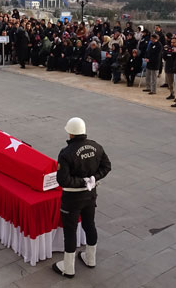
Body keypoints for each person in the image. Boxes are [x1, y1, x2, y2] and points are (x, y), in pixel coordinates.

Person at [53, 117, 111, 278]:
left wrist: (82, 182)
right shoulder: (96, 147)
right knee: (89, 225)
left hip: (72, 199)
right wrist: (93, 179)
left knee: (70, 232)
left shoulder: (66, 153)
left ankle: (68, 267)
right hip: (90, 195)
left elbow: (63, 180)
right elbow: (107, 166)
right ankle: (90, 258)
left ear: (71, 133)